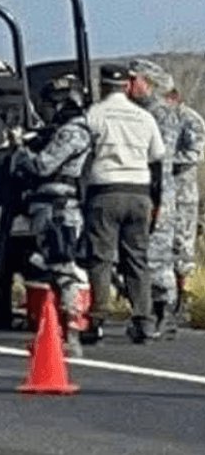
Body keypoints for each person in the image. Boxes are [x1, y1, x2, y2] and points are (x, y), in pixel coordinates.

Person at [82, 64, 165, 345]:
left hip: (105, 191)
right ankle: (144, 321)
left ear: (102, 86)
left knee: (100, 257)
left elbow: (82, 151)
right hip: (139, 192)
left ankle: (97, 319)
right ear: (127, 87)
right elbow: (157, 154)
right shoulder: (144, 117)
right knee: (137, 258)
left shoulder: (94, 114)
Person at [10, 74, 92, 356]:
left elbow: (43, 166)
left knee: (63, 268)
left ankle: (71, 332)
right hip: (49, 207)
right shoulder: (61, 131)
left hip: (59, 209)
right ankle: (55, 333)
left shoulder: (73, 132)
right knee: (47, 270)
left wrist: (21, 152)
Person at [128, 59, 183, 337]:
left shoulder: (160, 114)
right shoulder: (136, 112)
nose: (128, 86)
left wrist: (157, 201)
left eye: (133, 80)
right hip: (138, 190)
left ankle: (164, 312)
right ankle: (147, 311)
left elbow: (160, 160)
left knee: (158, 257)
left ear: (147, 83)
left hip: (157, 192)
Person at [166, 87, 204, 338]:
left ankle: (183, 300)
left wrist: (165, 160)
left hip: (183, 196)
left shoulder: (190, 120)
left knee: (182, 249)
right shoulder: (158, 119)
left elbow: (194, 153)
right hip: (162, 194)